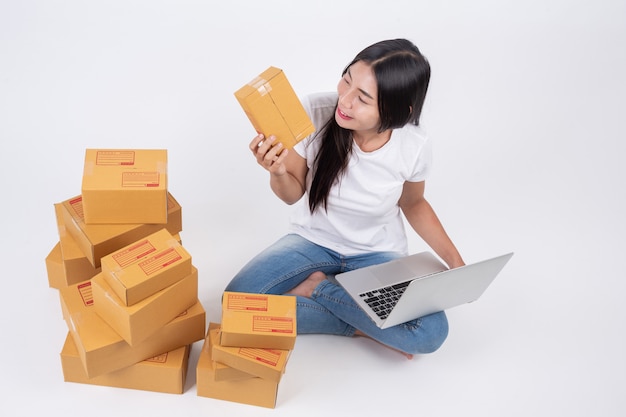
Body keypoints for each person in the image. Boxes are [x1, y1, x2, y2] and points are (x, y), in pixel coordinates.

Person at [225, 38, 465, 359]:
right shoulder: (314, 111)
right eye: (347, 80)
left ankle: (317, 289)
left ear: (397, 110)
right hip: (312, 242)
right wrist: (278, 170)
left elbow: (413, 204)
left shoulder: (414, 145)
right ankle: (362, 324)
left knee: (430, 333)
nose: (345, 100)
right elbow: (293, 194)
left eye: (363, 98)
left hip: (377, 254)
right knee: (235, 305)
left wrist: (456, 263)